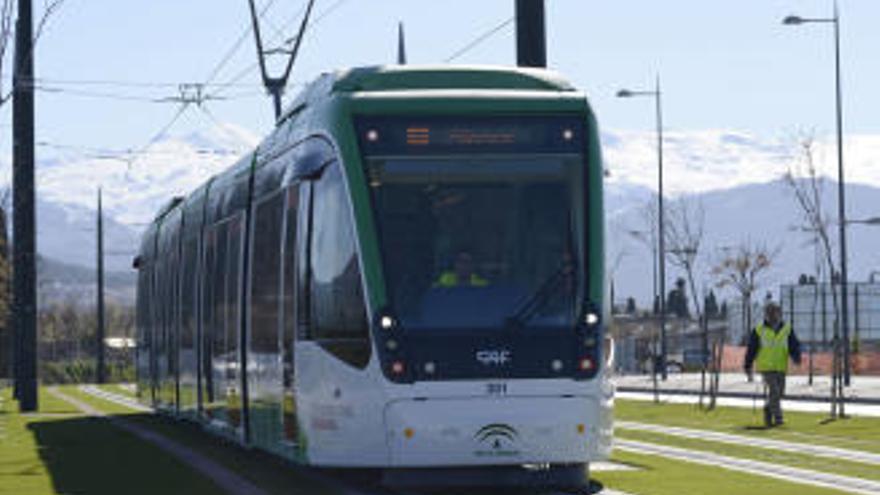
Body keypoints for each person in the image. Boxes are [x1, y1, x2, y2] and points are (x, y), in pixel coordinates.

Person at [744, 302, 802, 427]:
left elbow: (794, 345)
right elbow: (751, 348)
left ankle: (767, 409)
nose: (772, 315)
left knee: (780, 393)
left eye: (775, 312)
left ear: (779, 314)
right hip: (766, 367)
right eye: (769, 313)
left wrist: (796, 357)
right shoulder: (759, 330)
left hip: (781, 366)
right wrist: (747, 365)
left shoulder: (787, 329)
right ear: (766, 314)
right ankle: (778, 418)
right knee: (774, 392)